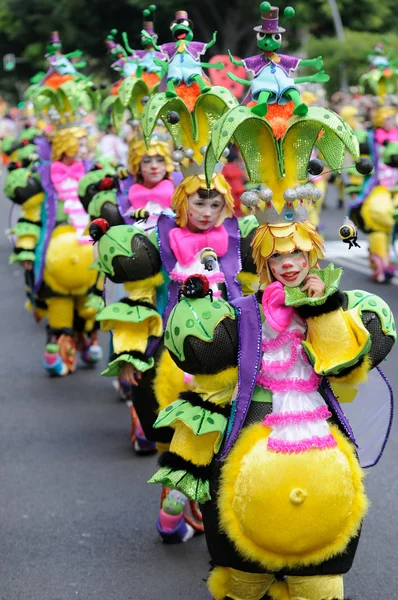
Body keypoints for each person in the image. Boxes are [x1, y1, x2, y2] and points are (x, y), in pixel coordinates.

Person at [148, 85, 396, 598]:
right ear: (262, 262)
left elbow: (344, 368)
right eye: (277, 258)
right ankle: (232, 557)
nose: (288, 264)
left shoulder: (334, 304)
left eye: (297, 256)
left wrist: (320, 309)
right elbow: (212, 383)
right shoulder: (244, 311)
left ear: (311, 257)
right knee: (218, 444)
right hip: (254, 408)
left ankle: (314, 577)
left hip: (314, 415)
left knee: (322, 541)